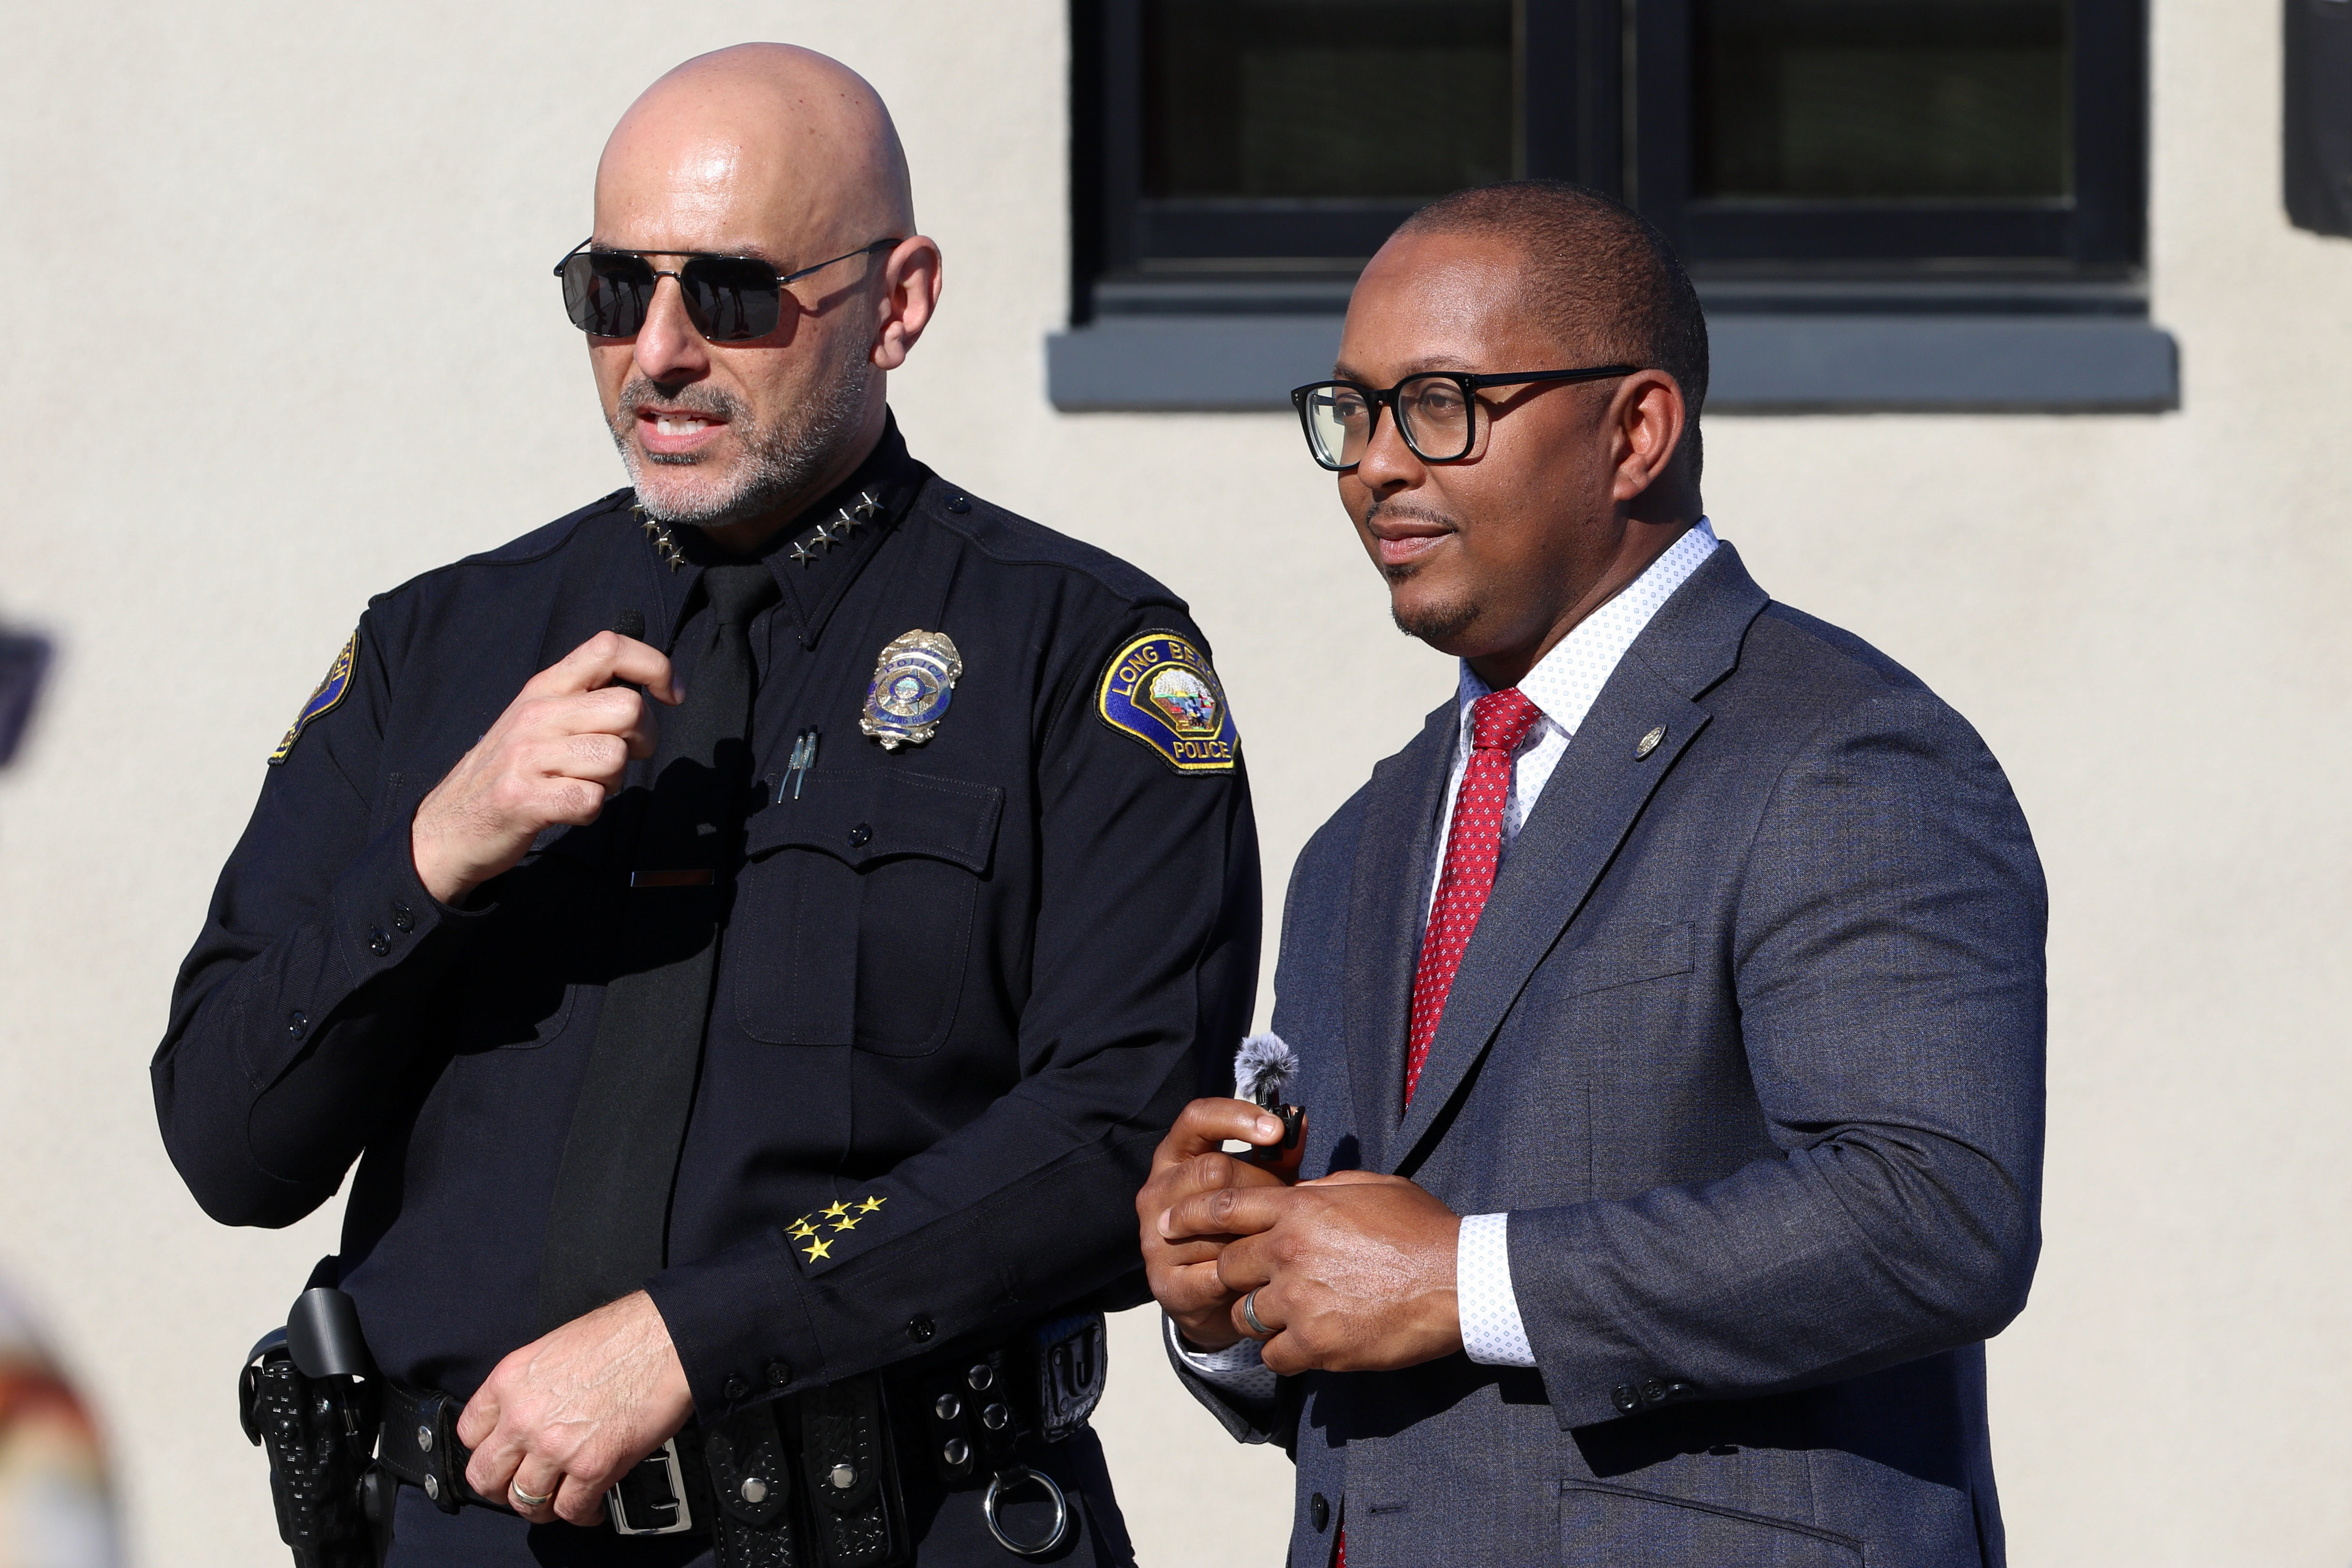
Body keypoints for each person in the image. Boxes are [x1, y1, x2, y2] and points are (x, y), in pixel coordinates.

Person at [154, 43, 1258, 1568]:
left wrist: (696, 1337)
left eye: (730, 294)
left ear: (902, 299)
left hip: (890, 1524)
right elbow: (226, 1141)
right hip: (463, 1535)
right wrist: (439, 852)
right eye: (614, 292)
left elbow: (1119, 1135)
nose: (658, 351)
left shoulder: (1075, 654)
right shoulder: (439, 648)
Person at [1139, 181, 2045, 1568]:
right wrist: (1232, 1304)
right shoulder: (1359, 844)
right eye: (1353, 411)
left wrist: (1465, 1280)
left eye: (1439, 403)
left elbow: (1934, 1216)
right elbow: (1361, 1316)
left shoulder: (1842, 754)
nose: (1376, 461)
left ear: (1634, 432)